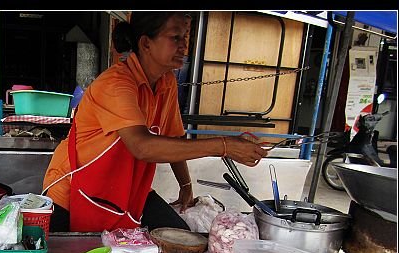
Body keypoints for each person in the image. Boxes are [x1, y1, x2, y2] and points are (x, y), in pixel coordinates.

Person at [42, 12, 267, 233]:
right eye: (175, 38)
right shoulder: (116, 84)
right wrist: (224, 146)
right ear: (145, 43)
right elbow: (141, 146)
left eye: (186, 38)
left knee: (180, 237)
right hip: (74, 190)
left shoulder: (166, 82)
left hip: (127, 187)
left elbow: (174, 136)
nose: (184, 47)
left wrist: (185, 186)